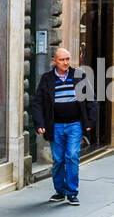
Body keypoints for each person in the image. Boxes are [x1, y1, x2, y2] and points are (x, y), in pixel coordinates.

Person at [31, 45, 97, 206]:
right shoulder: (47, 79)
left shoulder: (79, 76)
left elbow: (91, 99)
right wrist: (39, 123)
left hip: (75, 125)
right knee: (59, 159)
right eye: (62, 60)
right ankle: (60, 191)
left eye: (67, 59)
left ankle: (72, 192)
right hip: (56, 127)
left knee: (72, 156)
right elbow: (38, 103)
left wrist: (89, 121)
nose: (66, 62)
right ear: (54, 61)